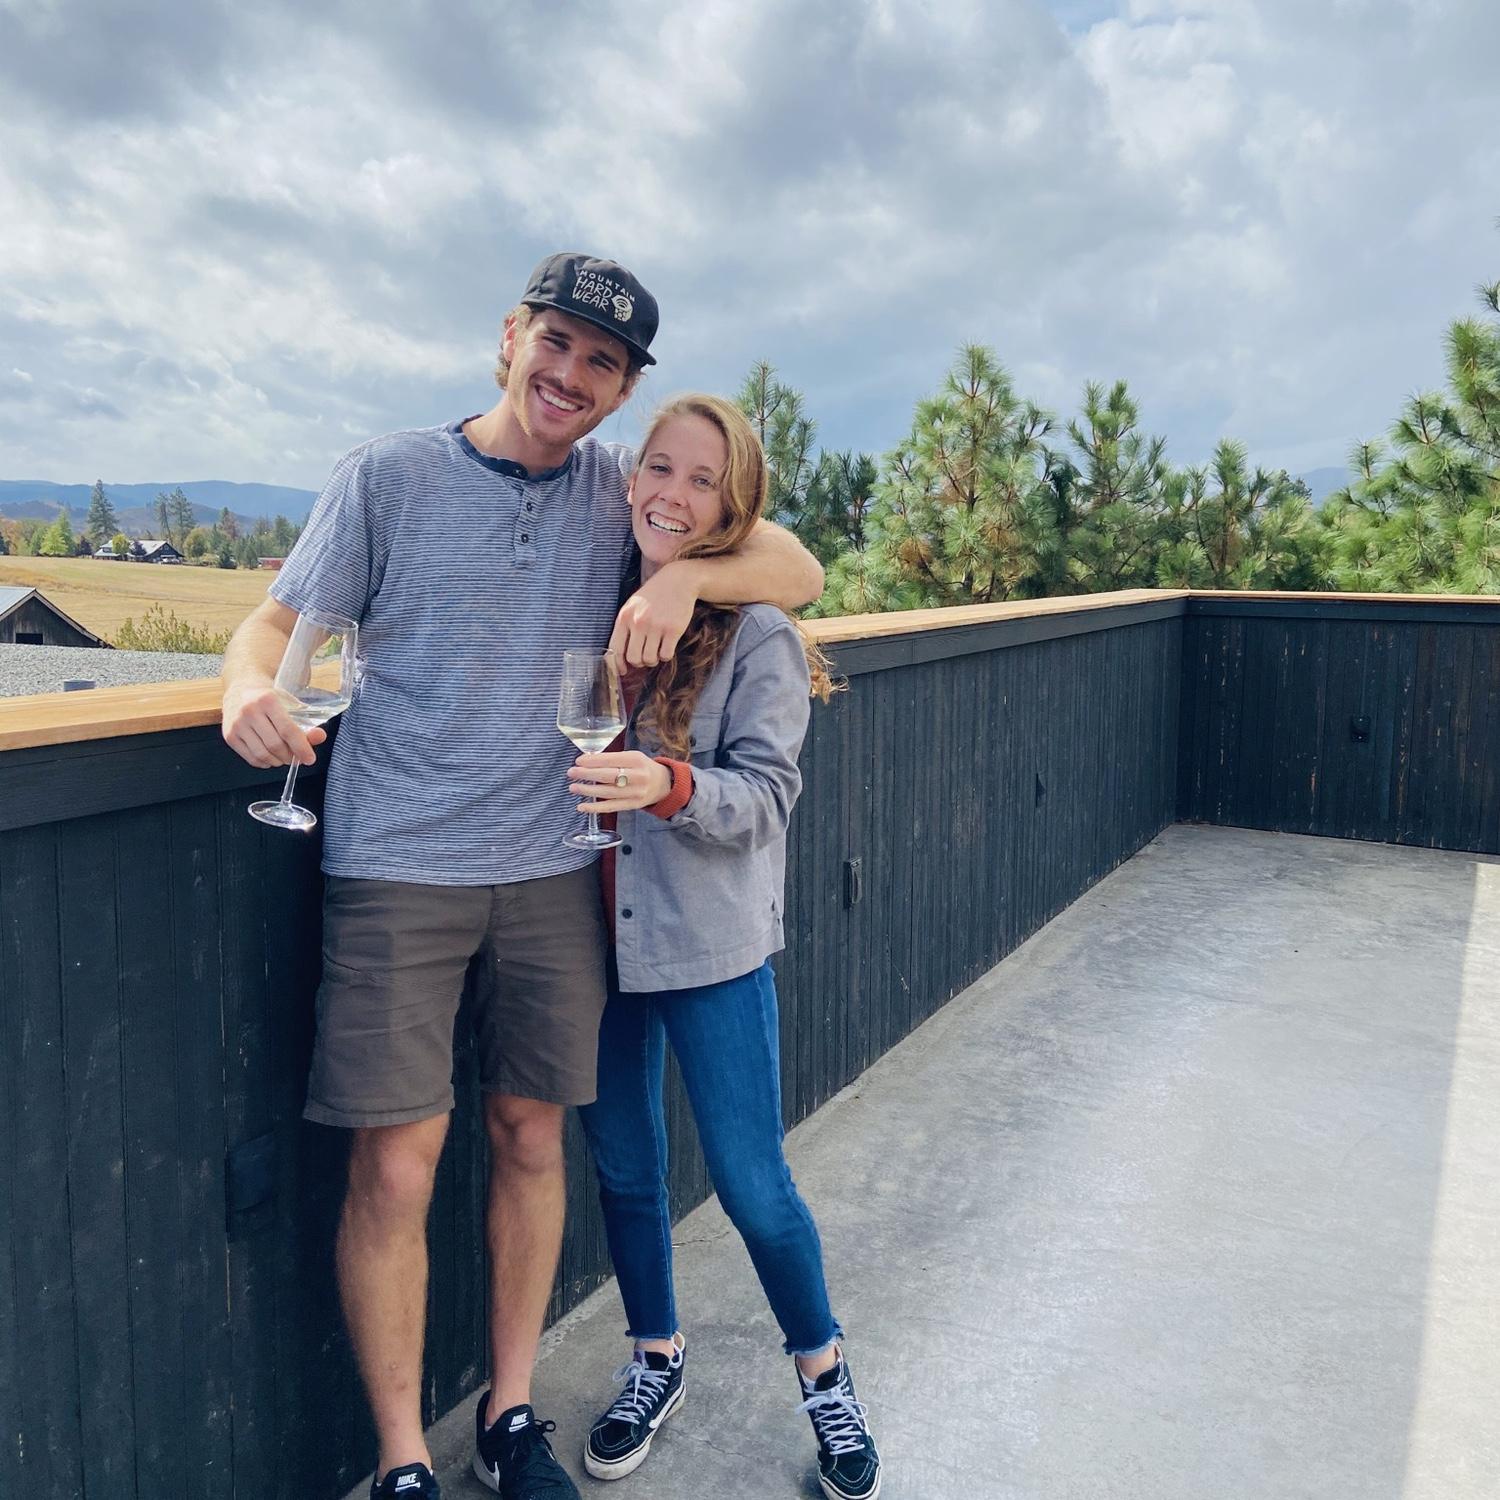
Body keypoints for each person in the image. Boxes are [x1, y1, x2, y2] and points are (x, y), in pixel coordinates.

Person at [219, 254, 824, 1500]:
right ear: (511, 336)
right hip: (398, 865)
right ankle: (403, 1460)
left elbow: (799, 571)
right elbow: (278, 627)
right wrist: (240, 690)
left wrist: (687, 574)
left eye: (603, 363)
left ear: (622, 390)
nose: (571, 375)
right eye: (557, 342)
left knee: (532, 1140)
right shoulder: (387, 475)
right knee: (397, 1165)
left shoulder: (622, 491)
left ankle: (508, 1419)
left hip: (555, 871)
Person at [565, 394, 882, 1500]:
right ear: (630, 475)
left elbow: (765, 802)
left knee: (752, 1186)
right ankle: (655, 1358)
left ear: (734, 505)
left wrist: (668, 784)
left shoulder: (758, 634)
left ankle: (824, 1371)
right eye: (660, 467)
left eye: (704, 481)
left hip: (710, 948)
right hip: (588, 942)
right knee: (625, 1170)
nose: (674, 494)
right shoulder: (593, 595)